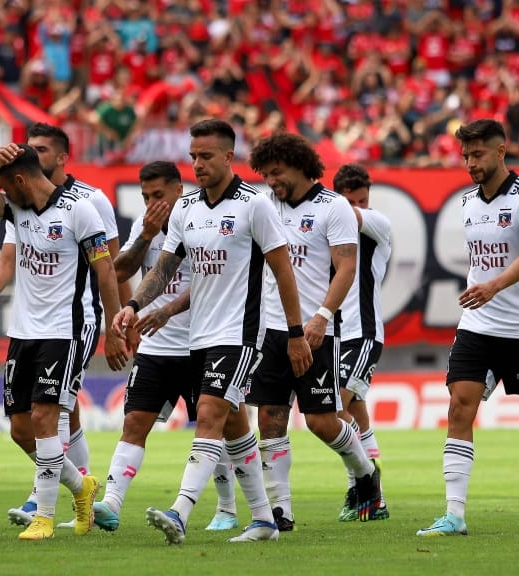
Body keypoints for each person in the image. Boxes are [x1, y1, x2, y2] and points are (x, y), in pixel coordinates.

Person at [111, 119, 313, 545]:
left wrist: (295, 333)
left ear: (227, 156)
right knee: (235, 426)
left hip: (241, 333)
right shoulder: (185, 210)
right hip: (198, 334)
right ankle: (263, 521)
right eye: (193, 157)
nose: (198, 165)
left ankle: (180, 511)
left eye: (205, 156)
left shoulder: (255, 205)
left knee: (208, 413)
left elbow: (283, 271)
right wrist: (132, 305)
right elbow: (165, 269)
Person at [0, 142, 127, 540]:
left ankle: (45, 517)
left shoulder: (79, 210)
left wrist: (112, 331)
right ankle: (81, 486)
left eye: (3, 183)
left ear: (18, 181)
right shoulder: (16, 209)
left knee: (44, 418)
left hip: (63, 331)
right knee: (21, 430)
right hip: (23, 332)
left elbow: (105, 273)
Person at [244, 132, 382, 531]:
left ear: (301, 166)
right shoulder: (263, 204)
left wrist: (321, 316)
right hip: (271, 330)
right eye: (266, 174)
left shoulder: (333, 207)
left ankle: (364, 473)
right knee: (270, 418)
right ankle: (281, 512)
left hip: (318, 330)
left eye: (277, 172)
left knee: (323, 421)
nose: (272, 181)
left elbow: (346, 268)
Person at [417, 119, 519, 536]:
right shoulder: (467, 203)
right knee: (460, 406)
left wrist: (494, 285)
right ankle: (454, 515)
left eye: (477, 155)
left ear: (501, 151)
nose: (470, 163)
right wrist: (484, 289)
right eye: (465, 156)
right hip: (478, 324)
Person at [92, 160, 194, 531]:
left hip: (202, 342)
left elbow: (216, 282)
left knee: (220, 427)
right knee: (134, 421)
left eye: (158, 194)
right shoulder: (144, 226)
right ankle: (112, 504)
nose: (152, 202)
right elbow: (119, 270)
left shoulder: (199, 218)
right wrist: (146, 236)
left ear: (179, 190)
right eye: (146, 196)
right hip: (156, 345)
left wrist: (165, 309)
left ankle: (227, 509)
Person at [332, 164, 392, 522]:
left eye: (363, 199)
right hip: (336, 333)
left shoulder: (377, 224)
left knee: (335, 405)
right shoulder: (328, 231)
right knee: (354, 413)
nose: (360, 206)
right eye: (351, 199)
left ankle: (364, 484)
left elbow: (351, 216)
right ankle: (371, 498)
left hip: (364, 332)